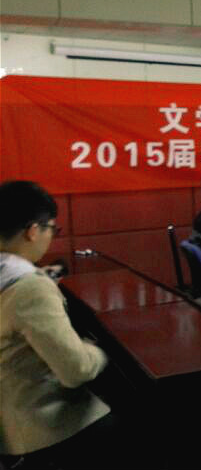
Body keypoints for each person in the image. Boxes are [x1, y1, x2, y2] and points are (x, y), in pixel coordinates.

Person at [0, 181, 116, 468]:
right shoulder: (29, 288)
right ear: (33, 231)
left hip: (8, 423)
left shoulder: (9, 275)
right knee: (140, 417)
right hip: (42, 427)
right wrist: (97, 349)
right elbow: (76, 370)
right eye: (52, 228)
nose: (51, 237)